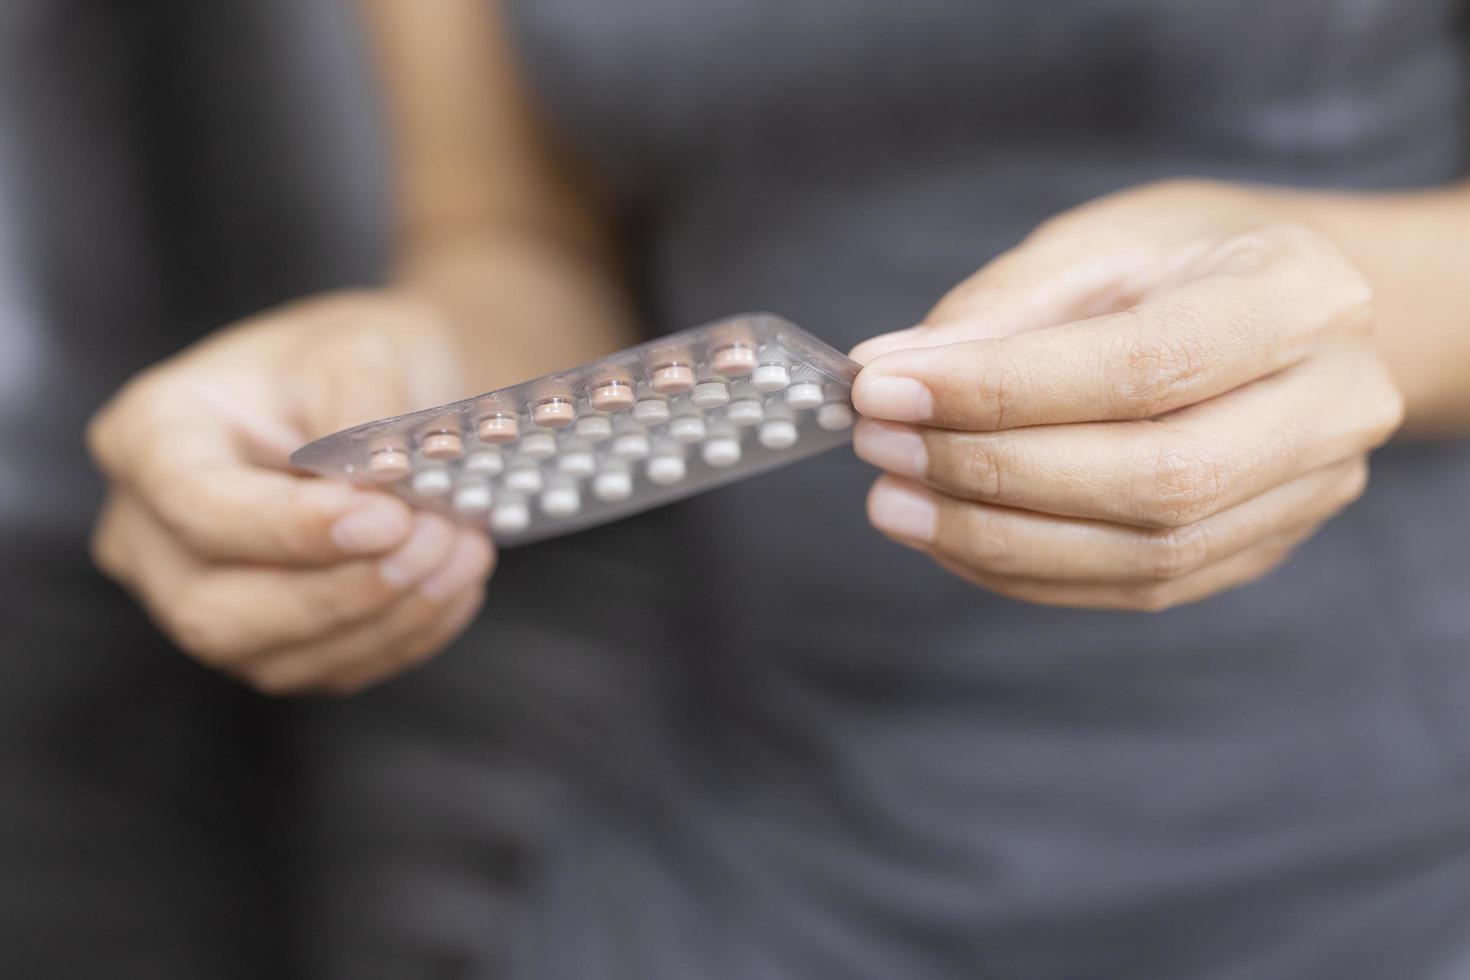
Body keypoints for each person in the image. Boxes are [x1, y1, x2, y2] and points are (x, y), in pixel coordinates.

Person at [15, 0, 1470, 976]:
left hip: (1377, 878)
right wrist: (390, 367)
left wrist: (1350, 307)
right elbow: (509, 233)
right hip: (743, 861)